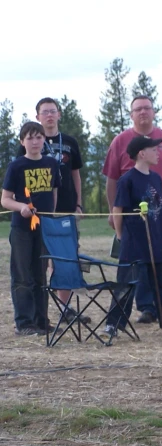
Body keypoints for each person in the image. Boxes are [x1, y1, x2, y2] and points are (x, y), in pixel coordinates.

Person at [103, 95, 162, 323]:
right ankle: (147, 307)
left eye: (147, 108)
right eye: (138, 109)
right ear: (132, 114)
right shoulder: (120, 142)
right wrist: (115, 213)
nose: (143, 112)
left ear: (153, 112)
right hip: (133, 212)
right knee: (137, 265)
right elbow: (112, 179)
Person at [17, 98, 86, 324]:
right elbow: (22, 177)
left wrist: (79, 203)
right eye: (44, 112)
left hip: (66, 209)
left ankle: (65, 309)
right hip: (40, 213)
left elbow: (76, 174)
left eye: (52, 111)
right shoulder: (30, 142)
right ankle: (37, 315)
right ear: (37, 116)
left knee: (65, 259)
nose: (49, 115)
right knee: (39, 264)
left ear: (59, 115)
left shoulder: (69, 142)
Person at [2, 122, 61, 336]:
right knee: (22, 276)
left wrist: (51, 217)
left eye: (38, 137)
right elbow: (5, 199)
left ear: (44, 139)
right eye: (30, 138)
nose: (35, 142)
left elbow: (53, 193)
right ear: (22, 141)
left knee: (40, 275)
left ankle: (41, 321)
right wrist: (21, 207)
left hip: (43, 228)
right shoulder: (17, 166)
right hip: (22, 229)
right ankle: (24, 323)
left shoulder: (51, 164)